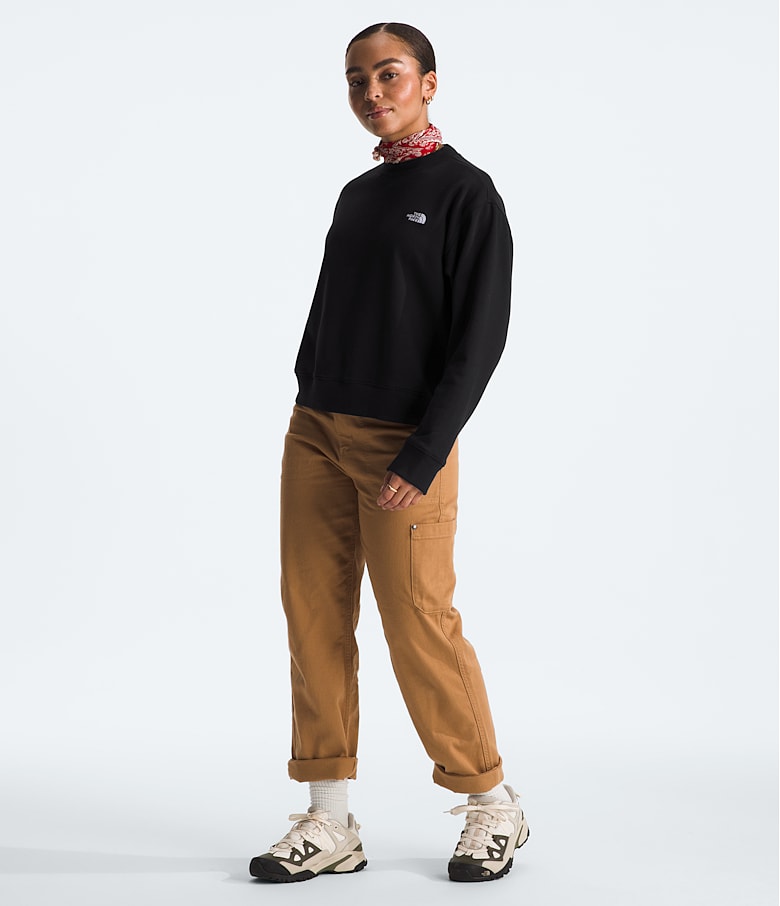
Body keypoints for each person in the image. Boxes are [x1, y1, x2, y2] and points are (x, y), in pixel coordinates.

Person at [249, 21, 530, 884]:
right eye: (356, 79)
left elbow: (480, 340)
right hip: (316, 431)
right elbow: (335, 307)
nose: (372, 93)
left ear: (429, 82)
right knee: (314, 618)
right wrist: (309, 390)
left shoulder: (466, 194)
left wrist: (424, 452)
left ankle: (492, 803)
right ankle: (330, 819)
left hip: (403, 445)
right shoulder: (359, 193)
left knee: (418, 624)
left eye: (390, 74)